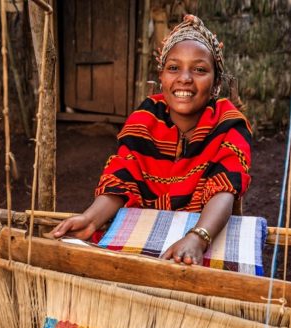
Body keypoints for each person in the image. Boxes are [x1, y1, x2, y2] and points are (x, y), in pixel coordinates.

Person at [52, 14, 251, 265]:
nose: (185, 78)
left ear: (216, 84)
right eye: (174, 68)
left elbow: (224, 188)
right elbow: (122, 178)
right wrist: (90, 219)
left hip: (204, 233)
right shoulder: (144, 120)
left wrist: (197, 238)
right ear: (162, 77)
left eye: (199, 69)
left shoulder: (228, 123)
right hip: (142, 233)